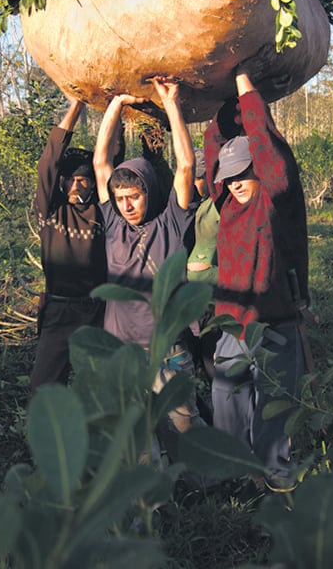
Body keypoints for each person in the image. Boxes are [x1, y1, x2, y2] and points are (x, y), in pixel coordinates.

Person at [203, 65, 310, 493]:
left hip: (275, 319)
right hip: (233, 322)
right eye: (228, 178)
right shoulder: (226, 203)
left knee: (275, 402)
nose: (234, 184)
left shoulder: (275, 196)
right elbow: (213, 145)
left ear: (259, 171)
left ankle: (275, 475)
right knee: (226, 396)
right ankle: (235, 471)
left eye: (242, 174)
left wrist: (247, 87)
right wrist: (226, 95)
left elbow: (268, 148)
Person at [93, 77, 202, 459]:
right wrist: (117, 103)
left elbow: (186, 165)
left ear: (149, 192)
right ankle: (150, 495)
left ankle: (202, 486)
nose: (126, 205)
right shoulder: (113, 224)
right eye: (120, 198)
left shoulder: (171, 221)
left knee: (184, 431)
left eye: (133, 197)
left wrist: (171, 104)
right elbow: (100, 162)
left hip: (168, 352)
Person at [30, 92, 111, 391]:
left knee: (102, 385)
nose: (77, 185)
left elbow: (111, 159)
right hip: (59, 309)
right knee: (44, 385)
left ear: (92, 183)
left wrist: (115, 109)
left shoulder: (103, 212)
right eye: (71, 180)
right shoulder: (51, 212)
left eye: (84, 180)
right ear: (62, 183)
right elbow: (49, 162)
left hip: (98, 310)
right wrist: (75, 106)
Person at [184, 148, 220, 382]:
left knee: (214, 368)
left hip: (215, 302)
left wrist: (212, 271)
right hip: (190, 303)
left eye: (198, 179)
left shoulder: (218, 206)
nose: (193, 184)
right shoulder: (188, 205)